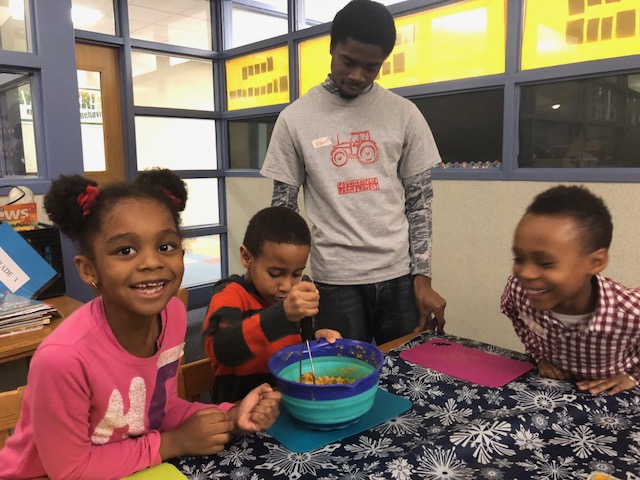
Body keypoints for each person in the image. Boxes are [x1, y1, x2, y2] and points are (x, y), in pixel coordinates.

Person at [0, 170, 280, 480]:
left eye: (166, 246)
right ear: (89, 268)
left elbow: (154, 410)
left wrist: (228, 415)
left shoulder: (172, 315)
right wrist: (174, 443)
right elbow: (70, 470)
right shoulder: (63, 358)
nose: (150, 262)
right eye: (125, 250)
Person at [260, 0, 446, 345]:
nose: (358, 75)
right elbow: (283, 212)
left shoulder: (404, 114)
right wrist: (287, 279)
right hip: (334, 280)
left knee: (408, 375)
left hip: (400, 277)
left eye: (371, 67)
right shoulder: (295, 119)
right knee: (344, 377)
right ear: (332, 48)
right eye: (349, 61)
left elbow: (419, 203)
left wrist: (422, 276)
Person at [501, 185, 640, 395]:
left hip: (612, 399)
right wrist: (539, 356)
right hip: (551, 394)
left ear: (595, 262)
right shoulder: (519, 291)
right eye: (519, 259)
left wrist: (632, 375)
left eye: (546, 263)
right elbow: (513, 312)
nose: (526, 274)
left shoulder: (630, 311)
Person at [202, 206, 342, 403]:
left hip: (289, 402)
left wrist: (316, 337)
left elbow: (299, 340)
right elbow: (222, 350)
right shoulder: (230, 294)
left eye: (296, 274)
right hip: (240, 412)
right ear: (247, 257)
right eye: (275, 274)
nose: (286, 286)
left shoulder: (295, 295)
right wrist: (281, 315)